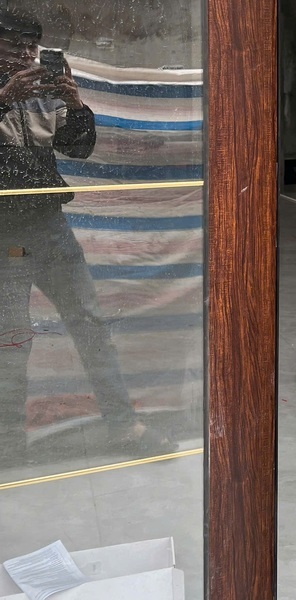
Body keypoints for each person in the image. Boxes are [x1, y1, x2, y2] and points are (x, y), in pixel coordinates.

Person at [0, 9, 176, 466]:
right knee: (13, 342)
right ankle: (8, 448)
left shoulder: (41, 93)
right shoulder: (11, 93)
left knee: (91, 325)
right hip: (4, 234)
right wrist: (2, 99)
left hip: (49, 225)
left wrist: (76, 103)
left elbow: (79, 148)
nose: (25, 54)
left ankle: (123, 426)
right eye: (14, 44)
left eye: (30, 46)